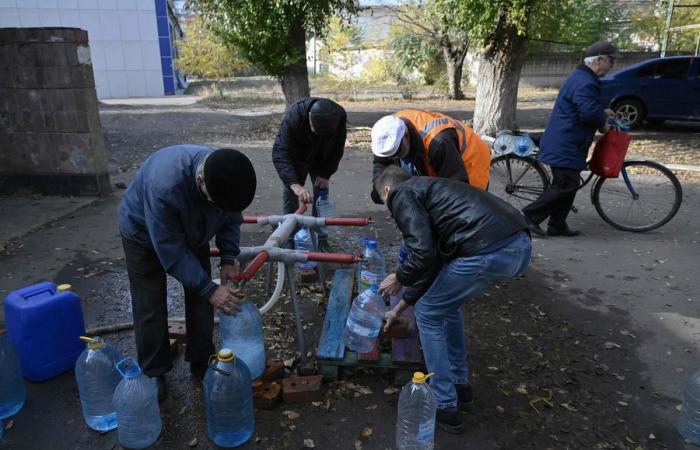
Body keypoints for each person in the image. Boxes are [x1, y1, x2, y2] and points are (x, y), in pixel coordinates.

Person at [375, 166, 532, 434]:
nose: (392, 214)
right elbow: (433, 265)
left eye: (386, 204)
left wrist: (399, 276)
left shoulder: (402, 193)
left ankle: (445, 404)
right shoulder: (434, 196)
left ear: (387, 191)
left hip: (490, 249)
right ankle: (460, 386)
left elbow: (422, 253)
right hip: (517, 245)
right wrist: (399, 309)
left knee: (428, 313)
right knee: (444, 308)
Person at [118, 145, 257, 401]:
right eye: (215, 202)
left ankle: (201, 359)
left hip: (193, 229)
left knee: (203, 297)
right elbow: (170, 251)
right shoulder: (165, 187)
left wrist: (228, 258)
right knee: (150, 303)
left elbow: (230, 218)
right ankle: (153, 371)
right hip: (143, 235)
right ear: (200, 179)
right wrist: (209, 288)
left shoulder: (227, 174)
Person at [522, 40, 618, 237]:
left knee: (569, 185)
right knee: (565, 185)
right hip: (565, 141)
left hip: (568, 140)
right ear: (599, 60)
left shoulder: (582, 77)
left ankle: (557, 225)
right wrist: (604, 124)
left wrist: (601, 111)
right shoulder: (586, 81)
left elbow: (585, 106)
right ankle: (529, 217)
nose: (613, 65)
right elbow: (588, 113)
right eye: (611, 61)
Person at [272, 97, 347, 251]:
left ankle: (321, 238)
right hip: (297, 156)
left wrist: (326, 174)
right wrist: (295, 185)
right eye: (316, 130)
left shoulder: (339, 115)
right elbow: (280, 153)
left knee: (321, 193)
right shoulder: (294, 115)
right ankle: (290, 238)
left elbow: (338, 147)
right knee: (291, 194)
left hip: (322, 156)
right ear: (309, 118)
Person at [369, 109, 491, 204]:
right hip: (434, 151)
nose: (393, 158)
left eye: (397, 152)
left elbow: (456, 186)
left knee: (466, 205)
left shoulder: (439, 142)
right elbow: (381, 164)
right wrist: (381, 190)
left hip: (471, 159)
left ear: (406, 135)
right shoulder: (386, 132)